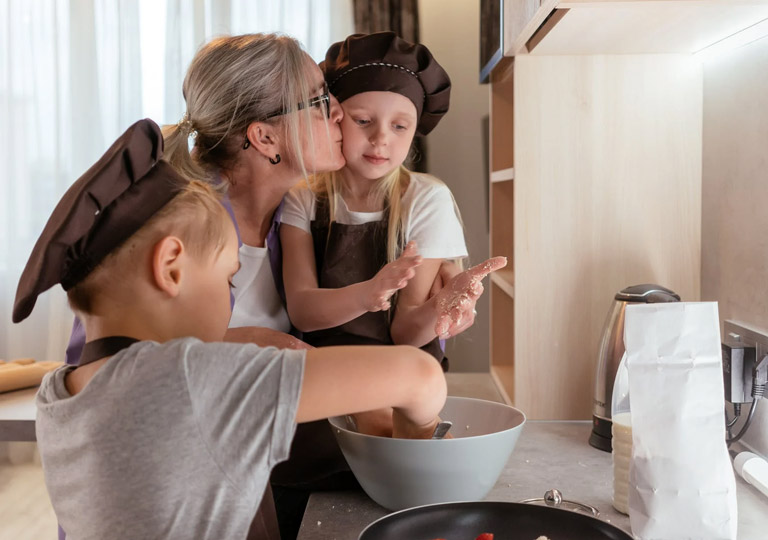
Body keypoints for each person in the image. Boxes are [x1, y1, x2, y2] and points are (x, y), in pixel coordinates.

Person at [13, 119, 448, 540]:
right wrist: (413, 452)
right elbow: (419, 375)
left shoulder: (59, 393)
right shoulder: (187, 378)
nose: (230, 298)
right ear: (171, 267)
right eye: (228, 278)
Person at [281, 31, 506, 430]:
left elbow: (405, 334)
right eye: (363, 120)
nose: (381, 138)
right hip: (322, 377)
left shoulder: (425, 200)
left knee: (388, 447)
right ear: (335, 118)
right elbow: (303, 311)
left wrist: (442, 304)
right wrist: (368, 294)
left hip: (399, 382)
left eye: (400, 126)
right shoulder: (302, 199)